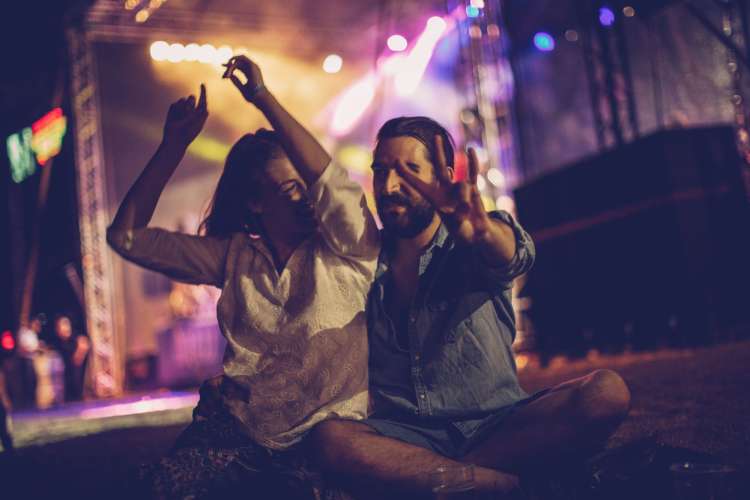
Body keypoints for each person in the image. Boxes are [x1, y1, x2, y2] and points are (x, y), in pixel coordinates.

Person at [310, 117, 631, 498]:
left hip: (497, 424)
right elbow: (323, 177)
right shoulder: (364, 261)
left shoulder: (470, 239)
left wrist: (481, 231)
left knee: (606, 392)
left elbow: (511, 255)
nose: (391, 186)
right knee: (330, 439)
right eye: (381, 172)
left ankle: (435, 480)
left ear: (445, 175)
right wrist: (261, 94)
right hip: (407, 436)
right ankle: (504, 484)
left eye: (410, 171)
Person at [106, 55, 378, 498]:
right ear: (255, 202)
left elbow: (332, 184)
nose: (307, 195)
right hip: (238, 437)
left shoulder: (349, 248)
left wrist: (263, 98)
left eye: (307, 185)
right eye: (290, 187)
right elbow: (127, 238)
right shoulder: (232, 258)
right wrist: (173, 145)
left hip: (327, 442)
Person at [51, 315, 89, 402]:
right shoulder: (59, 342)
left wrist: (79, 355)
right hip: (66, 374)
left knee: (76, 390)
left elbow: (85, 343)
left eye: (66, 324)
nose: (65, 328)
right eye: (61, 326)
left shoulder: (75, 337)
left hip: (76, 372)